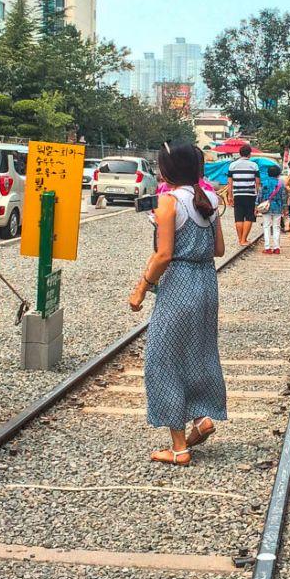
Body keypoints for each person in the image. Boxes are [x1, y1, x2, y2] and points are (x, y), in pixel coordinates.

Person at [128, 142, 227, 465]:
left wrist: (142, 288)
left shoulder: (168, 202)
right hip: (207, 284)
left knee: (163, 358)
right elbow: (219, 250)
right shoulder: (210, 199)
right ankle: (202, 417)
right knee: (199, 353)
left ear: (168, 170)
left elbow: (164, 255)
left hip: (179, 284)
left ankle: (179, 447)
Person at [227, 144, 260, 245]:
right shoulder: (254, 165)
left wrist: (230, 195)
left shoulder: (232, 165)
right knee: (249, 217)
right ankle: (243, 239)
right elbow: (257, 182)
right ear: (249, 154)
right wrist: (258, 195)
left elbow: (229, 182)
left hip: (237, 194)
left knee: (239, 217)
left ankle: (240, 239)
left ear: (240, 153)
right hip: (250, 195)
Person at [259, 165, 286, 254]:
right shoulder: (281, 183)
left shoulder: (264, 182)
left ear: (268, 173)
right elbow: (283, 196)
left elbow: (260, 195)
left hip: (266, 207)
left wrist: (257, 205)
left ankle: (267, 248)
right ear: (278, 174)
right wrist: (285, 208)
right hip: (278, 206)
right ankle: (276, 247)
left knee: (266, 226)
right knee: (276, 227)